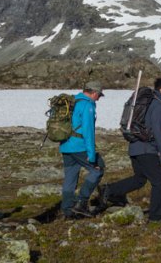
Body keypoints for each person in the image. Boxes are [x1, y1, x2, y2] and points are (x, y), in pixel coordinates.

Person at [99, 78, 161, 222]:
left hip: (134, 147)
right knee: (158, 183)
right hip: (147, 149)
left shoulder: (148, 102)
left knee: (140, 179)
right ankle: (156, 217)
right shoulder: (157, 104)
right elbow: (157, 131)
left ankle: (109, 190)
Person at [59, 81, 106, 219]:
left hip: (66, 145)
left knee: (70, 176)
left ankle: (67, 210)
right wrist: (91, 155)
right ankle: (81, 203)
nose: (99, 98)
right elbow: (88, 131)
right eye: (99, 96)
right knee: (98, 169)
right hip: (79, 146)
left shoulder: (72, 101)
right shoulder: (87, 105)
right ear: (94, 93)